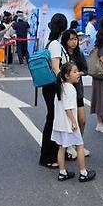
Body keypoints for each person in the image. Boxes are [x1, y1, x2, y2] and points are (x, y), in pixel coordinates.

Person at [51, 62, 96, 182]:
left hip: (59, 124)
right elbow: (68, 108)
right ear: (67, 76)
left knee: (62, 147)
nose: (78, 74)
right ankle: (83, 172)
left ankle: (62, 172)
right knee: (80, 146)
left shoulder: (60, 87)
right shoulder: (71, 89)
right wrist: (73, 122)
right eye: (75, 72)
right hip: (69, 124)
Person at [39, 13, 69, 169]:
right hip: (54, 87)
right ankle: (48, 156)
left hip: (49, 87)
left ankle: (55, 153)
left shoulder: (50, 41)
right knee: (52, 120)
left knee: (52, 119)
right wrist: (65, 83)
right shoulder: (56, 45)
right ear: (64, 27)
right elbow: (56, 67)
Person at [61, 29, 89, 159]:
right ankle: (69, 146)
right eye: (71, 39)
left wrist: (78, 74)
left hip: (78, 91)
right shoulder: (62, 54)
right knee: (69, 121)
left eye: (75, 39)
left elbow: (85, 69)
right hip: (67, 92)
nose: (74, 42)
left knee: (82, 120)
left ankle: (78, 143)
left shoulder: (79, 54)